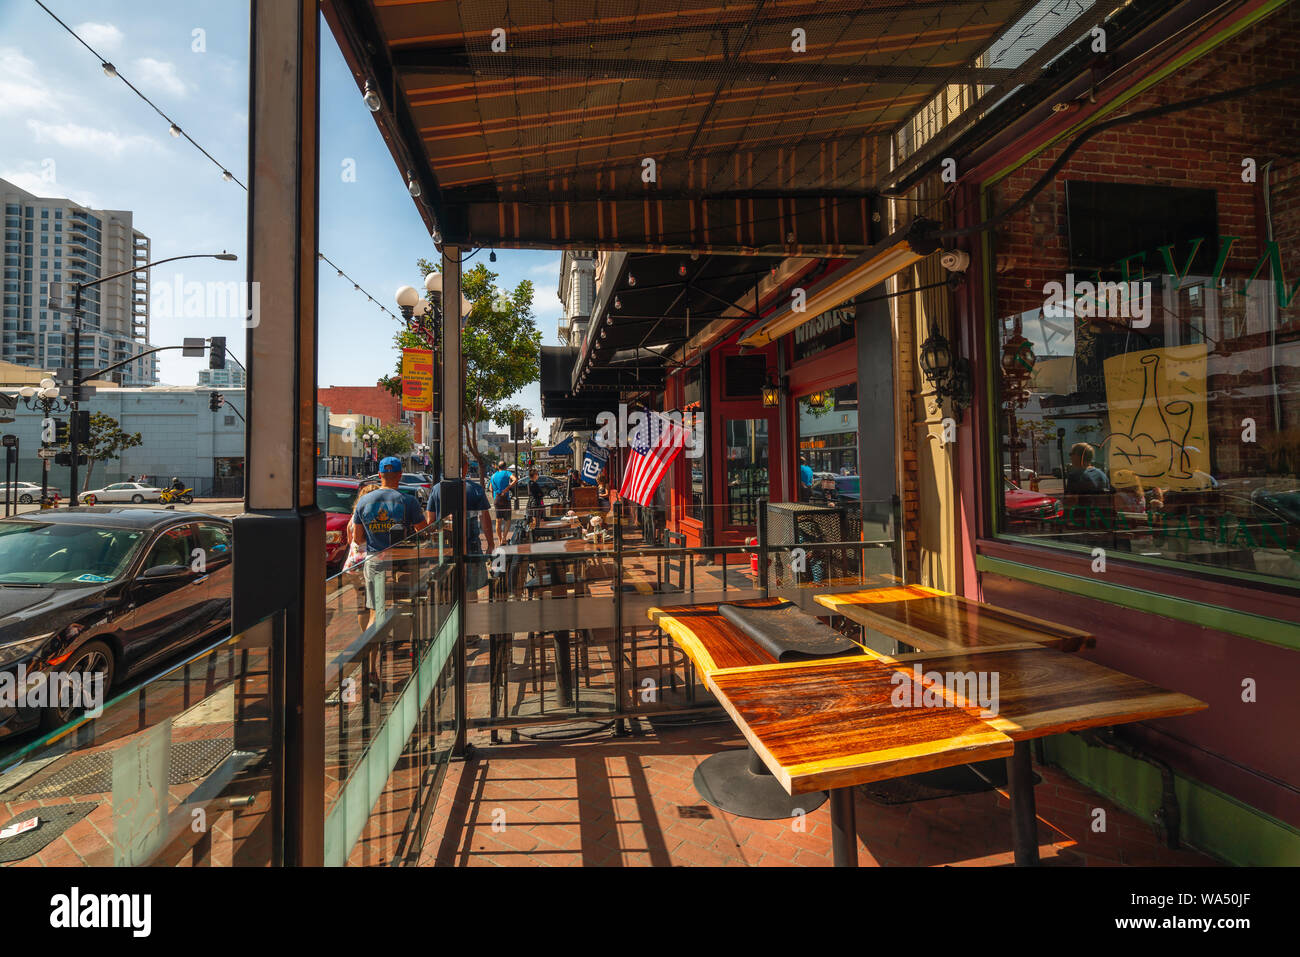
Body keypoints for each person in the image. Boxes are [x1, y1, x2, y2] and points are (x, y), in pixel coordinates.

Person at [351, 457, 428, 631]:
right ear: (400, 475)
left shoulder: (364, 501)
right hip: (403, 563)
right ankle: (401, 647)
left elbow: (357, 538)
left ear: (379, 474)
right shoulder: (408, 501)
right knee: (404, 606)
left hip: (375, 560)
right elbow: (423, 531)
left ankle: (372, 655)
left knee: (375, 612)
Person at [487, 461, 517, 541]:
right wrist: (507, 488)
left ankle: (500, 540)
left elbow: (491, 488)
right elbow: (515, 479)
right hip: (505, 499)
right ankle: (504, 538)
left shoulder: (493, 476)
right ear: (505, 467)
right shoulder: (507, 473)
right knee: (507, 520)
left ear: (498, 467)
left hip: (497, 499)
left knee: (498, 521)